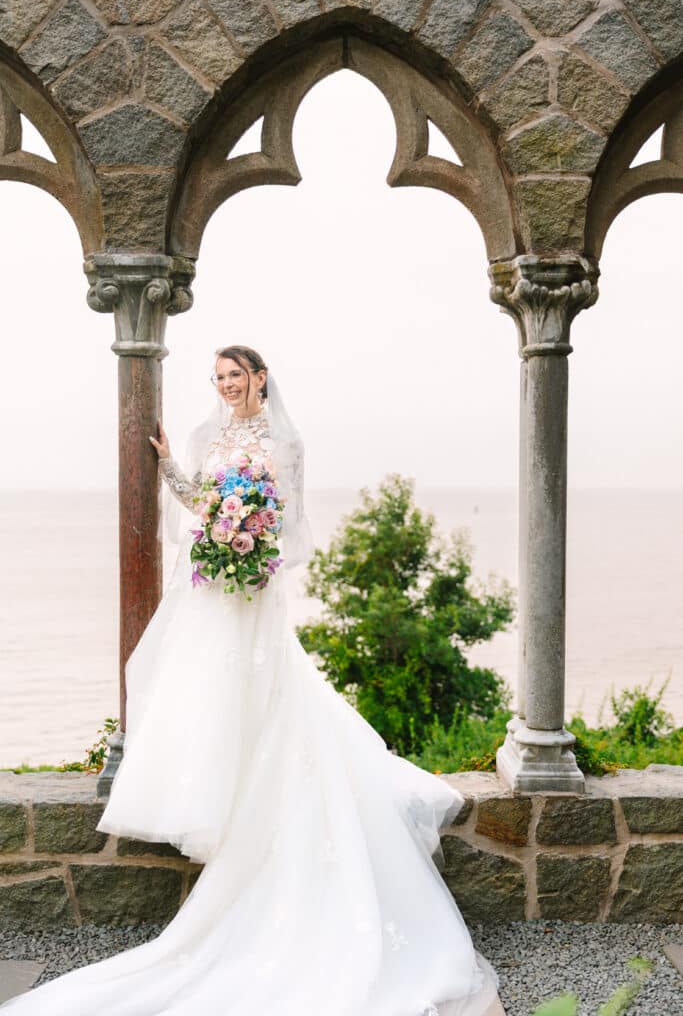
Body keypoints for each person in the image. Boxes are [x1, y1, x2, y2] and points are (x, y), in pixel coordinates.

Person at [0, 346, 499, 1016]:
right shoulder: (209, 435)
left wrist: (253, 549)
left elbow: (290, 527)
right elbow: (198, 500)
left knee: (267, 694)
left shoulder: (286, 439)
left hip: (254, 587)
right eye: (219, 378)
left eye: (236, 375)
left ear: (260, 378)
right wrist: (175, 470)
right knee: (204, 692)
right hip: (213, 583)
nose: (227, 386)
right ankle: (222, 797)